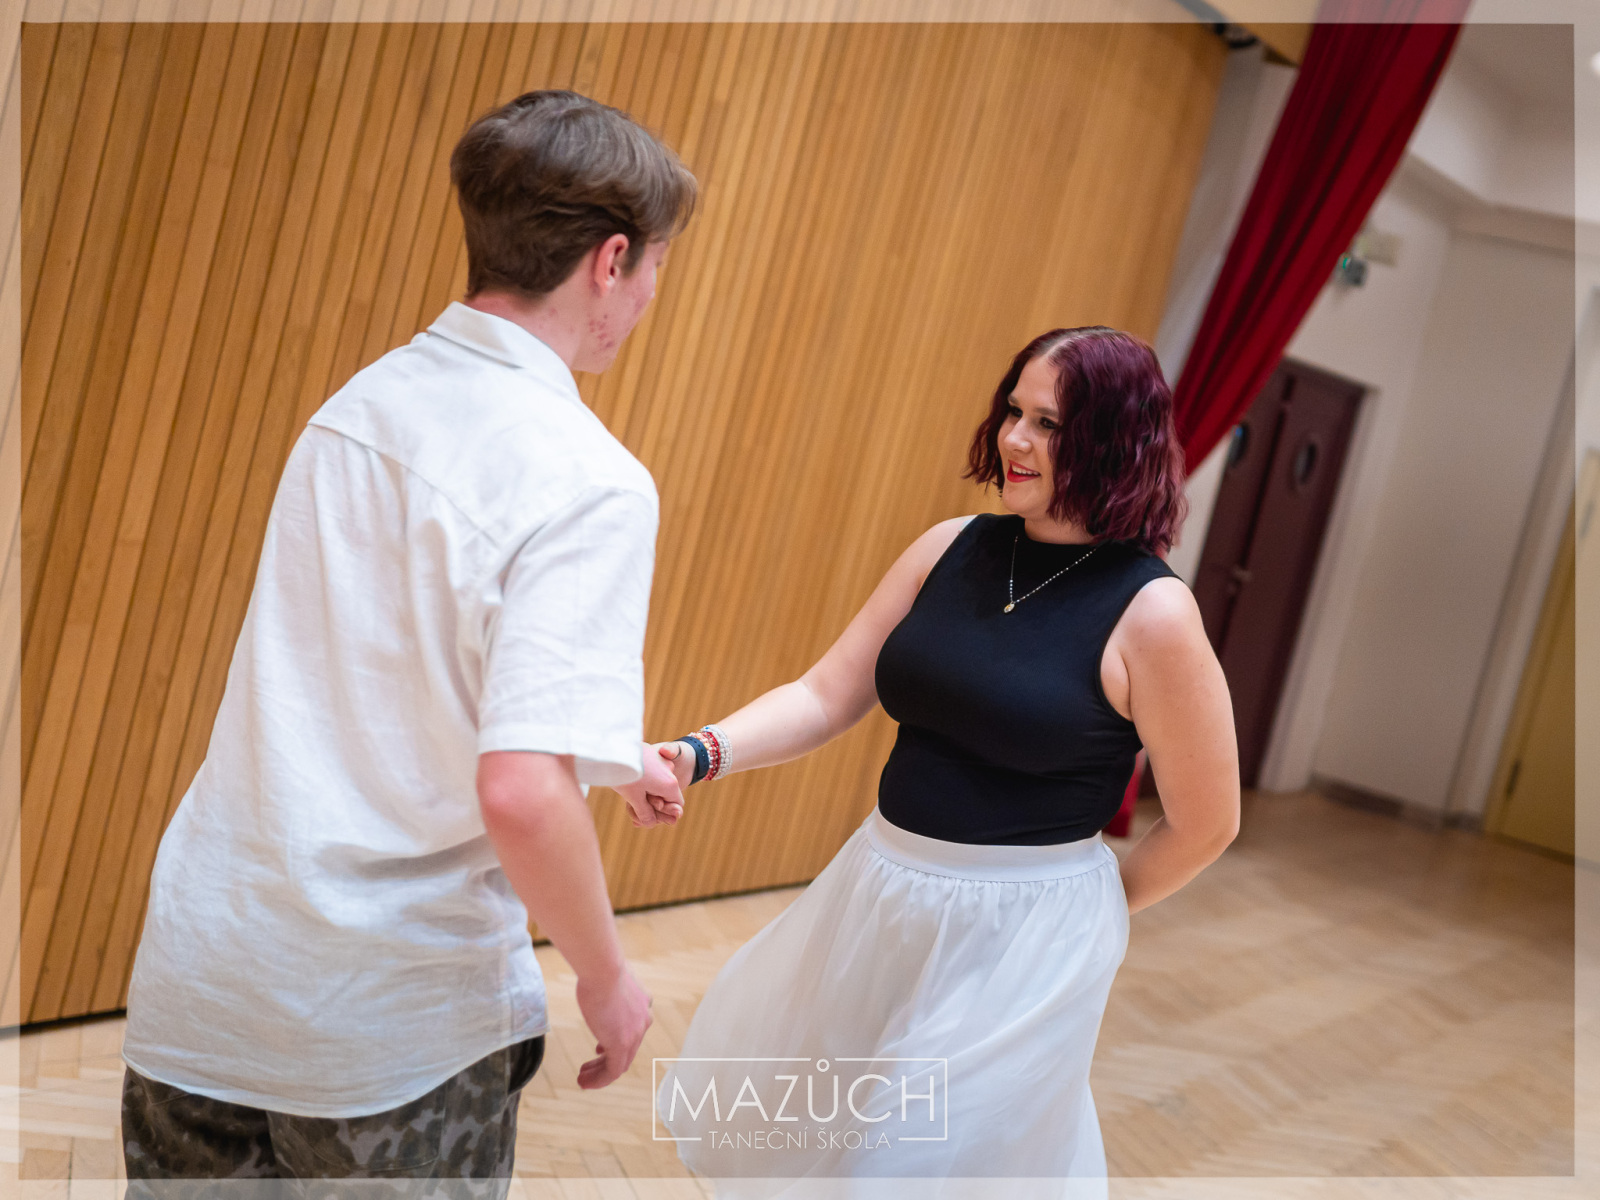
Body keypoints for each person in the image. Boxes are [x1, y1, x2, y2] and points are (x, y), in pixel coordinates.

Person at [119, 91, 695, 1193]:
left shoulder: (355, 405)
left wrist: (604, 750)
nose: (651, 295)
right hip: (387, 1026)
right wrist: (606, 977)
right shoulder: (590, 480)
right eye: (657, 266)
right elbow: (519, 792)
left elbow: (384, 667)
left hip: (207, 976)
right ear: (611, 260)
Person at [630, 327, 1240, 1199]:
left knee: (909, 1169)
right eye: (1013, 411)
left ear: (1114, 443)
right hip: (882, 889)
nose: (1015, 439)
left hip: (1024, 936)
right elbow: (825, 694)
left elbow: (1207, 821)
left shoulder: (1154, 614)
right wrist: (698, 753)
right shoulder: (951, 546)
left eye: (1049, 424)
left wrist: (1091, 908)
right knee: (826, 1145)